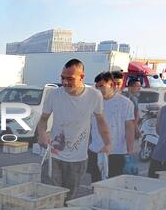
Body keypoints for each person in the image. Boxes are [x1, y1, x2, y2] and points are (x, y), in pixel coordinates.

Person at [37, 59, 112, 200]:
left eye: (69, 79)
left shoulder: (94, 96)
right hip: (54, 156)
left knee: (69, 198)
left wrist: (107, 143)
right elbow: (43, 120)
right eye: (62, 78)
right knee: (50, 196)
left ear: (82, 77)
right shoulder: (53, 95)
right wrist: (42, 134)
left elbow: (101, 121)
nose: (65, 82)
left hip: (78, 158)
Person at [87, 72, 135, 182]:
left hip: (116, 152)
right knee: (96, 183)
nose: (99, 89)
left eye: (102, 86)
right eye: (97, 86)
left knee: (114, 184)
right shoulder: (93, 102)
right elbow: (88, 125)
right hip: (96, 149)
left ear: (111, 85)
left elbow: (129, 127)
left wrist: (130, 151)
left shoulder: (126, 103)